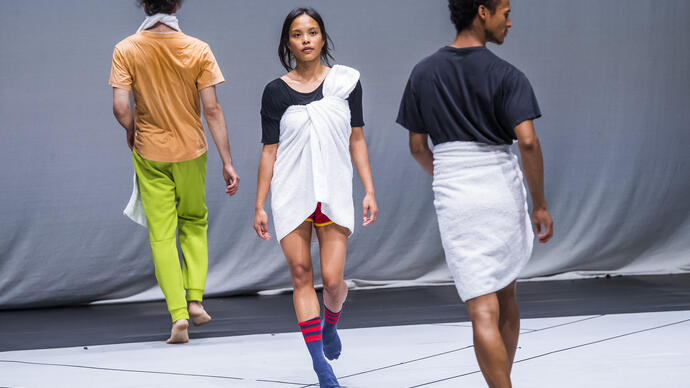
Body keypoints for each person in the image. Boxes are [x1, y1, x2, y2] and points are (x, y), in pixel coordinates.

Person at [396, 0, 554, 386]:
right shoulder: (507, 74)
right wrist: (541, 205)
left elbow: (418, 147)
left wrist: (448, 173)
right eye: (505, 12)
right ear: (482, 12)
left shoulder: (423, 73)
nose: (510, 22)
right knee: (506, 297)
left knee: (481, 309)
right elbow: (528, 142)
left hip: (457, 195)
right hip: (501, 189)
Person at [253, 7, 377, 387]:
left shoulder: (346, 82)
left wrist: (369, 189)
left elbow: (357, 139)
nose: (305, 39)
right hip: (291, 192)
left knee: (334, 280)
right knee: (300, 274)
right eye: (296, 34)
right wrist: (259, 204)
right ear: (287, 42)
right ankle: (320, 366)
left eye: (311, 32)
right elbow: (269, 150)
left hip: (334, 190)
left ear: (322, 37)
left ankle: (331, 323)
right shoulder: (275, 92)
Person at [109, 0, 240, 344]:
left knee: (162, 235)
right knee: (194, 222)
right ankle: (195, 300)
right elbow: (211, 109)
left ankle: (178, 314)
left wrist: (133, 131)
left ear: (142, 4)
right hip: (191, 150)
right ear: (178, 3)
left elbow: (120, 107)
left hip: (149, 151)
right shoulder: (198, 49)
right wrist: (227, 160)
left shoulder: (126, 48)